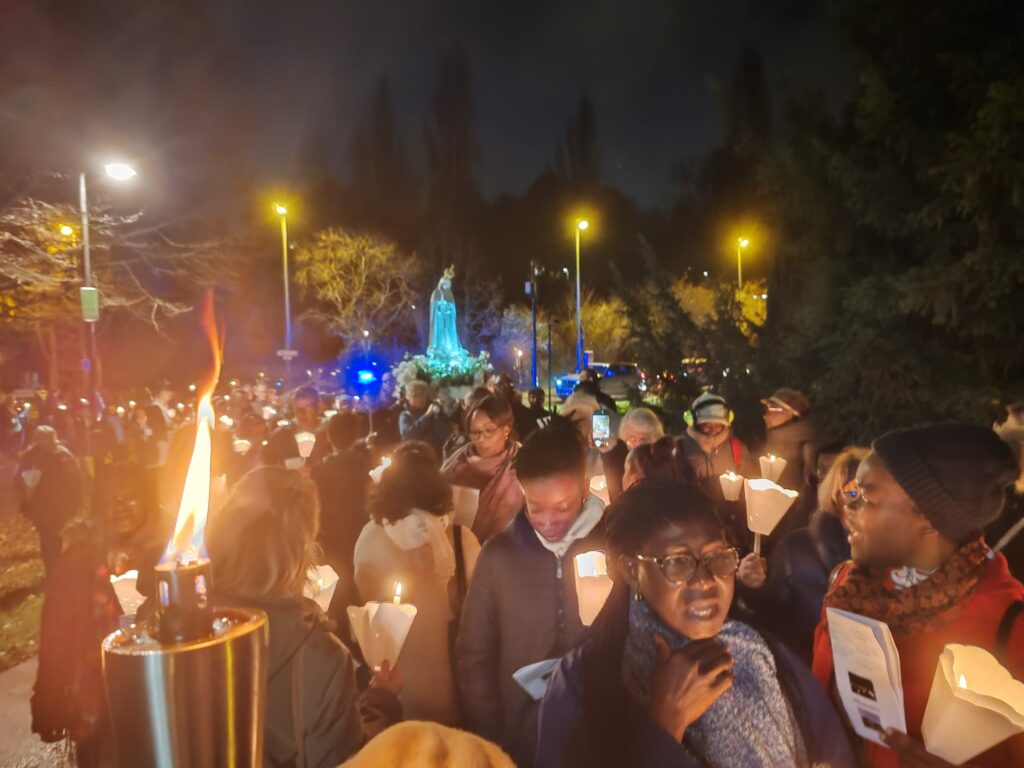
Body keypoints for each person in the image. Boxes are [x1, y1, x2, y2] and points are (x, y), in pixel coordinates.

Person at [536, 478, 855, 768]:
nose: (705, 581)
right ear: (632, 572)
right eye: (677, 562)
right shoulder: (583, 681)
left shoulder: (762, 653)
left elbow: (834, 753)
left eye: (718, 557)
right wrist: (664, 726)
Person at [812, 424, 1024, 767]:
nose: (847, 507)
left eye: (867, 498)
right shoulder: (848, 588)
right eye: (853, 493)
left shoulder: (1009, 624)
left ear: (927, 519)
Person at [206, 466, 402, 768]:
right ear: (301, 549)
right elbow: (345, 761)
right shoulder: (320, 656)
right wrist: (381, 702)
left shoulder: (173, 625)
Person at [455, 419, 606, 766]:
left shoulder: (610, 547)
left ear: (584, 487)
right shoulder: (499, 556)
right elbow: (473, 655)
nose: (548, 521)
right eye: (535, 507)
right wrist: (494, 735)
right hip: (521, 740)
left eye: (563, 507)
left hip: (597, 736)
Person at [31, 460, 165, 767]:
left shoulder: (164, 559)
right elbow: (56, 636)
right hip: (95, 701)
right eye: (111, 498)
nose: (120, 506)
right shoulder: (77, 561)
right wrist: (48, 699)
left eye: (130, 497)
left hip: (153, 695)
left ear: (147, 500)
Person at [354, 441, 481, 725]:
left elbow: (367, 612)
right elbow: (480, 612)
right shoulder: (460, 540)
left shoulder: (369, 539)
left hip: (393, 681)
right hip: (452, 681)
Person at [745, 446, 867, 662]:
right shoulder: (794, 549)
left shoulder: (897, 555)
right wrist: (755, 587)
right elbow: (771, 614)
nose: (861, 503)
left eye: (871, 494)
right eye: (852, 492)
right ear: (835, 495)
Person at [441, 395, 524, 542]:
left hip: (506, 550)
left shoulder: (522, 465)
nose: (481, 438)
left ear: (506, 430)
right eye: (475, 432)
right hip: (456, 547)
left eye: (489, 430)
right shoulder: (457, 463)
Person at [311, 412, 372, 608]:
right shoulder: (365, 465)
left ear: (328, 437)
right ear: (355, 436)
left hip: (331, 537)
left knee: (336, 593)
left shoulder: (320, 469)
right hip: (359, 533)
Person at [16, 425, 81, 574]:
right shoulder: (31, 456)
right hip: (41, 504)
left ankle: (54, 567)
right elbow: (19, 477)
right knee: (49, 536)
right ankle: (53, 567)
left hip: (58, 504)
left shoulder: (62, 455)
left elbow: (75, 480)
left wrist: (74, 500)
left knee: (52, 535)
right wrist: (27, 489)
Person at [676, 393, 751, 500]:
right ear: (694, 423)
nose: (713, 430)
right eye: (706, 425)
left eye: (718, 425)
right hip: (692, 509)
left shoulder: (737, 447)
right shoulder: (679, 447)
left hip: (729, 509)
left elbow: (749, 481)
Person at [603, 407, 668, 501]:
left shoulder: (666, 466)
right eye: (633, 439)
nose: (638, 445)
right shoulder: (618, 464)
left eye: (644, 440)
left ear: (656, 439)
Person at [264, 386, 331, 470]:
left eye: (307, 407)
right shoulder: (281, 435)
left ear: (318, 406)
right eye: (298, 408)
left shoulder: (330, 432)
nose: (301, 413)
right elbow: (269, 464)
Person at [399, 381, 453, 457]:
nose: (420, 398)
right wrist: (426, 416)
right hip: (418, 457)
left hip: (439, 455)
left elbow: (447, 434)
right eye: (415, 396)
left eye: (422, 394)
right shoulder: (406, 415)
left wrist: (441, 413)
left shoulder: (435, 410)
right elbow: (407, 436)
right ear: (408, 397)